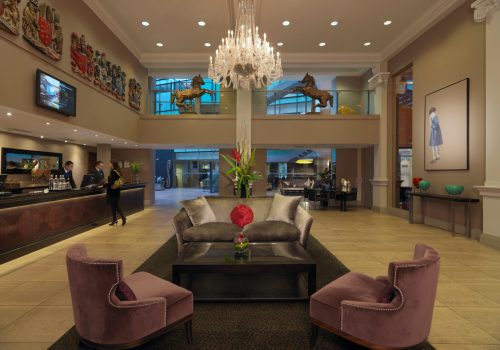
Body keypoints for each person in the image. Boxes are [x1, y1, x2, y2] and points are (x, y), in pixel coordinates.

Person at [107, 160, 126, 226]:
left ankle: (122, 217)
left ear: (112, 164)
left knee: (115, 206)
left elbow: (111, 182)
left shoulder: (113, 172)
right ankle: (115, 220)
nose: (109, 164)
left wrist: (105, 185)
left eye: (110, 163)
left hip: (112, 191)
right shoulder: (118, 171)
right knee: (114, 206)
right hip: (117, 191)